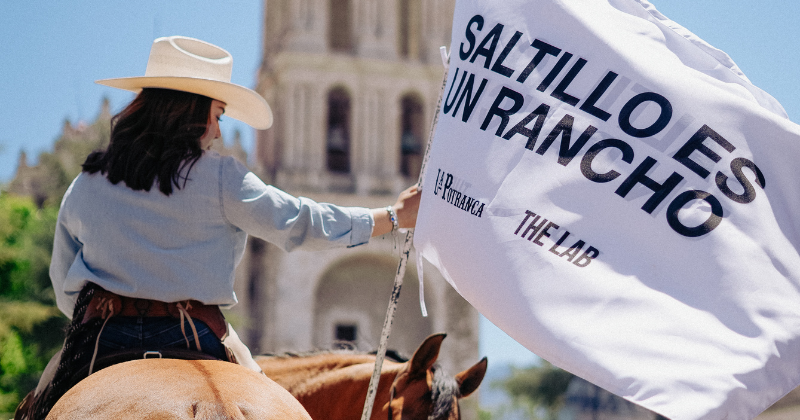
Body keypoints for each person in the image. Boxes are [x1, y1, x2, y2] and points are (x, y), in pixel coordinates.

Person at [20, 35, 420, 419]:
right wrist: (393, 216)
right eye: (216, 115)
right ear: (191, 114)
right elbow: (300, 222)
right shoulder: (222, 178)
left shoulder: (87, 183)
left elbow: (63, 278)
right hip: (198, 334)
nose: (217, 131)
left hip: (102, 336)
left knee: (38, 408)